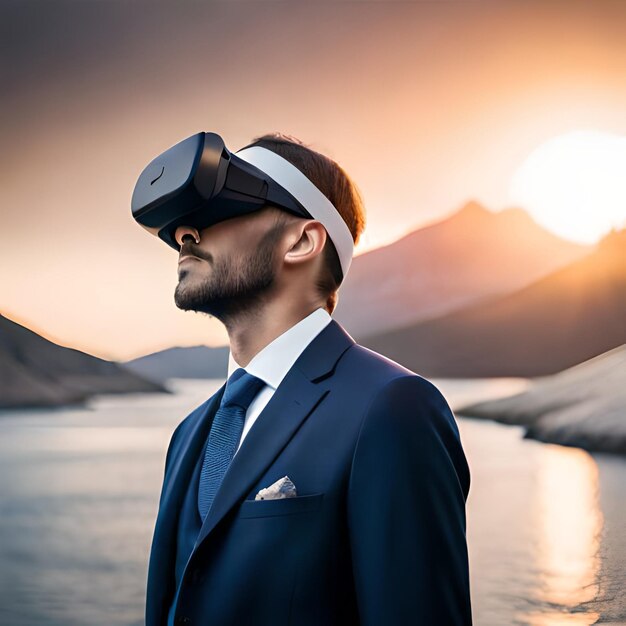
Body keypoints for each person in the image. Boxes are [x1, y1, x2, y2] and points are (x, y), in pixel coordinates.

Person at [144, 132, 472, 626]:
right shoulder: (189, 432)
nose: (185, 233)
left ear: (301, 241)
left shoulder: (392, 408)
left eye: (219, 209)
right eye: (182, 222)